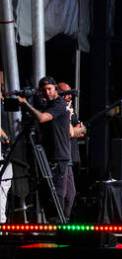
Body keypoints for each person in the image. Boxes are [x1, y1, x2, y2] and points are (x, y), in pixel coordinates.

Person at [14, 77, 77, 218]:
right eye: (44, 90)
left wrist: (25, 104)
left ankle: (62, 222)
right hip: (56, 155)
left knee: (67, 194)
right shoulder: (47, 105)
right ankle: (58, 222)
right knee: (59, 193)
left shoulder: (59, 104)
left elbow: (42, 118)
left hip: (61, 155)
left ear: (55, 88)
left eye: (49, 89)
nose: (47, 92)